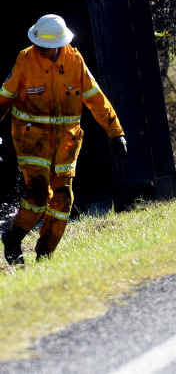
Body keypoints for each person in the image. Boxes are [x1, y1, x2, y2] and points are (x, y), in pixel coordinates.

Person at [0, 14, 127, 265]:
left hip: (66, 142)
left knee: (63, 199)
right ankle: (14, 238)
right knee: (38, 195)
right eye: (38, 46)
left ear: (58, 45)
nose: (40, 50)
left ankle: (45, 254)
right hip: (31, 137)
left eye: (45, 47)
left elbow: (95, 97)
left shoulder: (75, 62)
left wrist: (116, 132)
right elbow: (5, 95)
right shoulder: (25, 60)